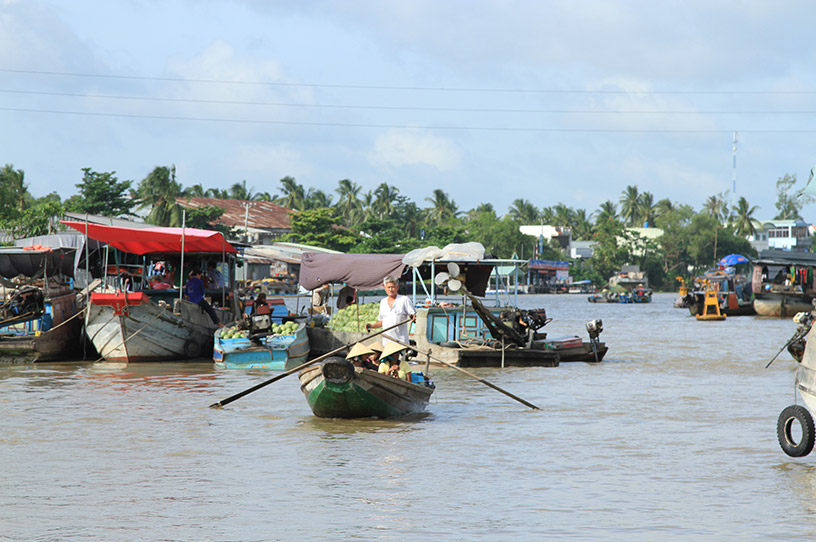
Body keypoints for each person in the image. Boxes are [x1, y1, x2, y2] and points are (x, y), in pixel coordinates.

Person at [365, 275, 416, 347]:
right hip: (387, 343)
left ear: (397, 287)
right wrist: (372, 326)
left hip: (401, 342)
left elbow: (413, 314)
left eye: (393, 287)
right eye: (388, 287)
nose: (390, 290)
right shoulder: (383, 302)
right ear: (385, 288)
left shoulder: (404, 300)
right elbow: (382, 321)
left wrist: (413, 316)